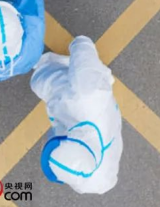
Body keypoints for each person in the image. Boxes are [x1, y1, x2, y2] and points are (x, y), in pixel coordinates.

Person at [31, 37, 123, 195]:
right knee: (40, 80)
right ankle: (84, 69)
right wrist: (79, 53)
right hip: (85, 92)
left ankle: (94, 73)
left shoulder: (96, 182)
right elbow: (82, 45)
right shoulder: (87, 95)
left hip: (103, 118)